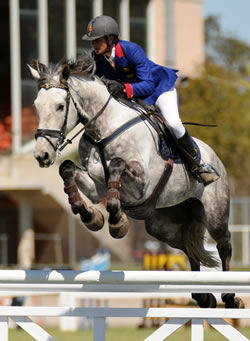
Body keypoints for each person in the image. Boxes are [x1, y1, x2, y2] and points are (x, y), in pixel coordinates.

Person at [82, 15, 219, 186]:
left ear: (110, 38)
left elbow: (147, 84)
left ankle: (198, 165)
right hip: (132, 95)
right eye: (92, 41)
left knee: (173, 123)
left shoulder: (131, 50)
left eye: (97, 40)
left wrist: (124, 88)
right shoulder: (97, 58)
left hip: (158, 88)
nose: (94, 44)